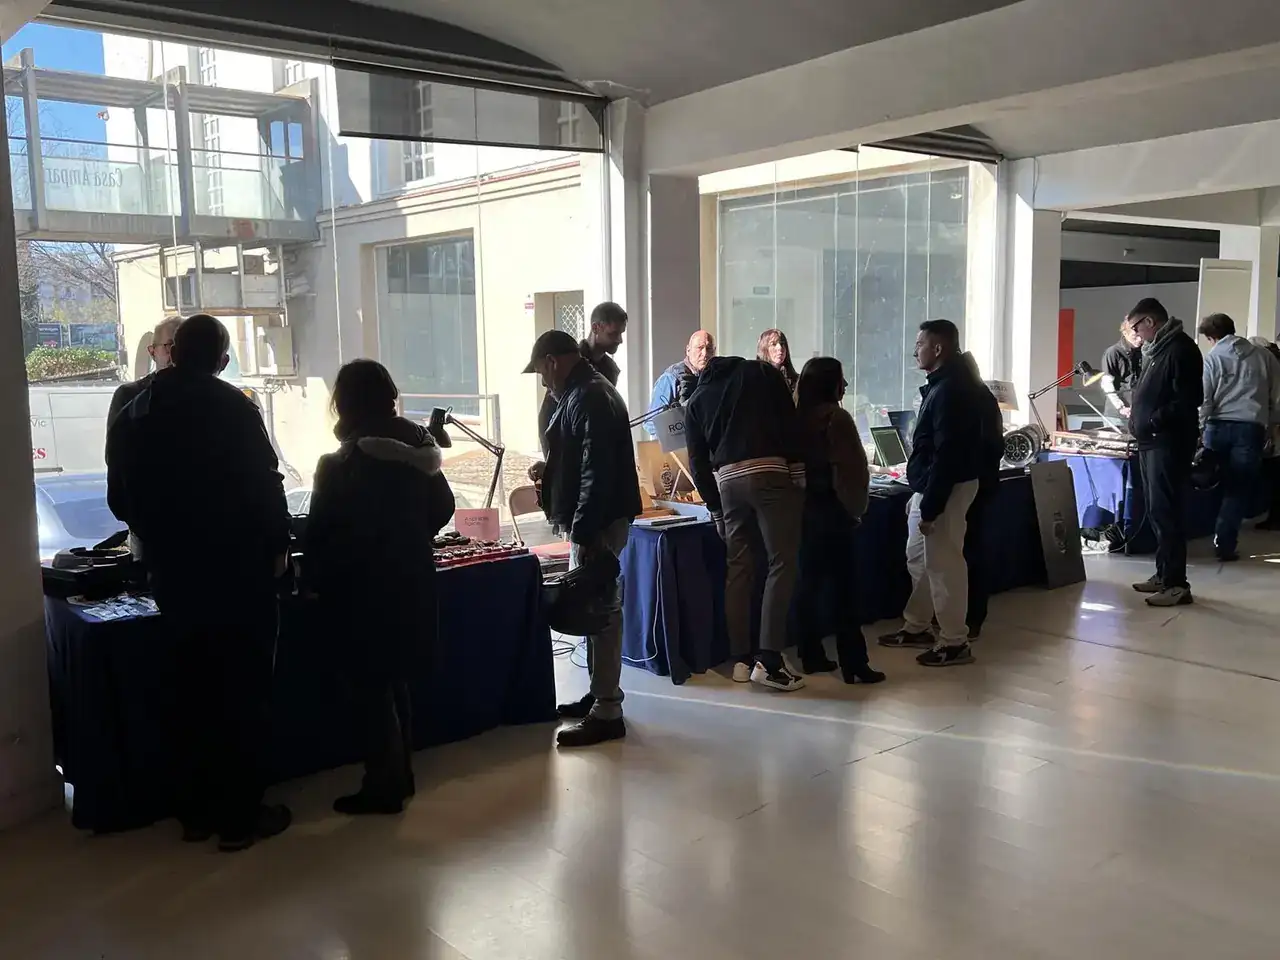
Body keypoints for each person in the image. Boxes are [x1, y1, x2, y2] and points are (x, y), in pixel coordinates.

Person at [105, 314, 291, 851]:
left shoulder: (136, 410)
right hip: (239, 569)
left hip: (173, 570)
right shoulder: (235, 407)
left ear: (171, 352)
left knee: (190, 690)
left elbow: (120, 498)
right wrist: (277, 547)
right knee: (243, 691)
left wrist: (161, 534)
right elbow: (265, 486)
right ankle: (240, 819)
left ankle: (195, 814)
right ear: (222, 361)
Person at [305, 360, 455, 815]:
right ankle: (400, 776)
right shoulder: (420, 451)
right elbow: (444, 506)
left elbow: (319, 534)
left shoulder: (341, 463)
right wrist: (412, 534)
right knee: (396, 680)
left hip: (362, 586)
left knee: (371, 687)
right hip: (411, 575)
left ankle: (384, 785)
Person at [524, 330, 641, 747]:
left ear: (552, 362)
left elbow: (597, 470)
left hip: (597, 521)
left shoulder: (588, 395)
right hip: (598, 517)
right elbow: (584, 459)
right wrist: (552, 472)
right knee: (597, 607)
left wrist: (586, 529)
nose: (543, 381)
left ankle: (607, 710)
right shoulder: (589, 391)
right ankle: (599, 696)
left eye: (541, 372)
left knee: (602, 610)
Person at [684, 354, 807, 691]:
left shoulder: (697, 398)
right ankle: (769, 661)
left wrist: (715, 508)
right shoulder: (760, 374)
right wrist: (798, 473)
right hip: (770, 473)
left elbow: (697, 462)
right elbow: (790, 421)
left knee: (738, 568)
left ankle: (741, 660)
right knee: (781, 562)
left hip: (727, 483)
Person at [878, 319, 983, 668]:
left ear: (938, 348)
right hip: (930, 485)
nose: (915, 351)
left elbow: (948, 453)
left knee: (943, 564)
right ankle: (917, 625)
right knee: (919, 558)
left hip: (946, 487)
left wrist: (932, 506)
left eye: (920, 344)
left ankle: (954, 641)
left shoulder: (952, 390)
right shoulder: (942, 385)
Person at [791, 357, 885, 684]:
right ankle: (854, 661)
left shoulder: (795, 419)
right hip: (834, 510)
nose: (845, 385)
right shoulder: (837, 418)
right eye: (841, 379)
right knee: (845, 591)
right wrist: (854, 509)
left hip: (804, 511)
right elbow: (851, 470)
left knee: (808, 586)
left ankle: (810, 653)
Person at [1126, 298, 1203, 606]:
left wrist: (1154, 419)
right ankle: (1163, 573)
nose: (1135, 334)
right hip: (1150, 442)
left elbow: (1190, 398)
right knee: (1156, 511)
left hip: (1168, 442)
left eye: (1136, 327)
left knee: (1167, 510)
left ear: (1150, 321)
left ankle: (1176, 584)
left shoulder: (1180, 349)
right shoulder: (1156, 350)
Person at [1197, 313, 1280, 561]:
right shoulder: (1264, 356)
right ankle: (1225, 543)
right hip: (1251, 427)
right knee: (1239, 487)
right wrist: (1271, 425)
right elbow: (1276, 395)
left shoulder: (1213, 357)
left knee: (1212, 481)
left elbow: (1205, 399)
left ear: (1211, 337)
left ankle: (1207, 531)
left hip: (1217, 428)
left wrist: (1200, 428)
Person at [534, 302, 627, 463]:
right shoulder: (568, 365)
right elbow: (547, 418)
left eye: (621, 333)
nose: (620, 340)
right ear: (596, 328)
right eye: (613, 334)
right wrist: (552, 465)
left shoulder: (610, 370)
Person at [960, 352, 1005, 639]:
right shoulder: (984, 398)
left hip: (973, 485)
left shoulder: (970, 400)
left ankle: (970, 617)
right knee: (974, 551)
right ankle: (973, 616)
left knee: (970, 554)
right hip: (985, 483)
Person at [107, 315, 181, 428]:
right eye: (169, 346)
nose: (177, 353)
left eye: (183, 346)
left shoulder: (204, 395)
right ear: (152, 352)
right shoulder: (128, 395)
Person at [644, 330, 715, 436]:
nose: (704, 354)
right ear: (688, 350)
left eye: (709, 349)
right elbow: (651, 423)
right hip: (679, 444)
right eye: (700, 348)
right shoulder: (671, 377)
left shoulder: (717, 379)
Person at [1251, 336, 1280, 531]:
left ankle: (1275, 517)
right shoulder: (1273, 363)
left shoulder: (1270, 365)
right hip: (1274, 423)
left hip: (1274, 425)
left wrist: (1272, 426)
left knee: (1274, 475)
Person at [1100, 321, 1144, 422]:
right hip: (1116, 415)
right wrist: (1120, 407)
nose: (1139, 339)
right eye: (1135, 336)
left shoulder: (1143, 352)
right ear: (1125, 333)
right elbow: (1107, 385)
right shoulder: (1113, 353)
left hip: (1137, 413)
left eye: (1141, 336)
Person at [757, 328, 799, 394]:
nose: (780, 348)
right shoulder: (756, 380)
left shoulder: (797, 381)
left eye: (782, 344)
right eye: (773, 344)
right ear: (764, 349)